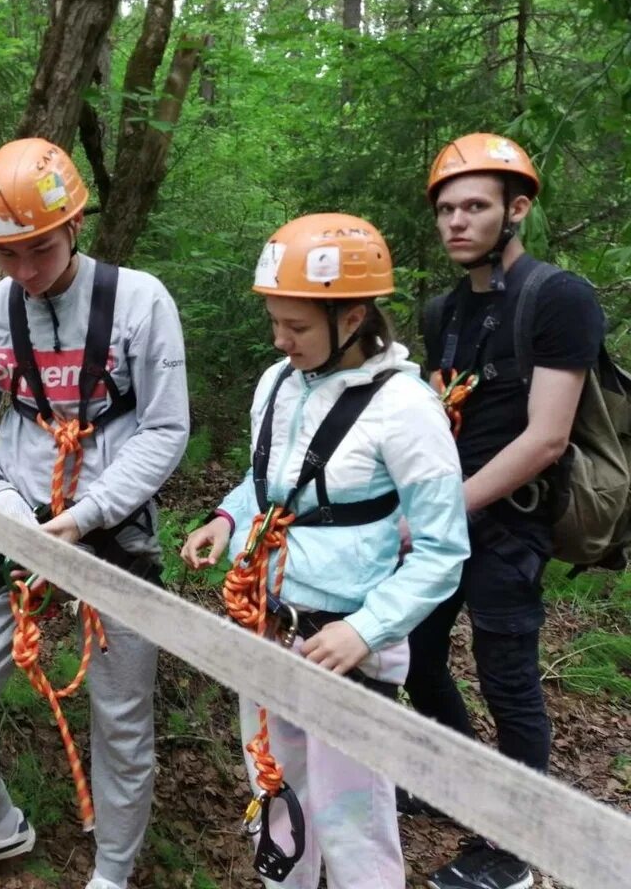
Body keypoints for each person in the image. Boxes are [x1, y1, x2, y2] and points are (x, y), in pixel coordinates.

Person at [0, 137, 189, 889]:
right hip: (19, 530)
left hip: (115, 534)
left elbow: (166, 427)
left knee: (121, 720)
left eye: (38, 249)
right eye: (8, 257)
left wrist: (93, 511)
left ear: (75, 225)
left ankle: (113, 873)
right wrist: (0, 499)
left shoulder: (140, 304)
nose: (26, 273)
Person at [180, 213, 468, 889]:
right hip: (267, 628)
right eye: (276, 323)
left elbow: (442, 551)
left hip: (346, 647)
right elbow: (274, 485)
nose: (282, 340)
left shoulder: (405, 410)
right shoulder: (278, 383)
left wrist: (362, 632)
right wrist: (227, 517)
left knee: (353, 823)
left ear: (355, 316)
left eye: (298, 327)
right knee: (276, 798)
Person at [408, 134, 605, 889]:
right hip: (442, 521)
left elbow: (547, 437)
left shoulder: (557, 298)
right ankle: (455, 783)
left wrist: (444, 508)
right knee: (418, 655)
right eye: (447, 210)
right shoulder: (444, 312)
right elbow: (431, 420)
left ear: (516, 210)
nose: (457, 222)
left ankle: (512, 846)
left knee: (508, 678)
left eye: (476, 207)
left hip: (509, 524)